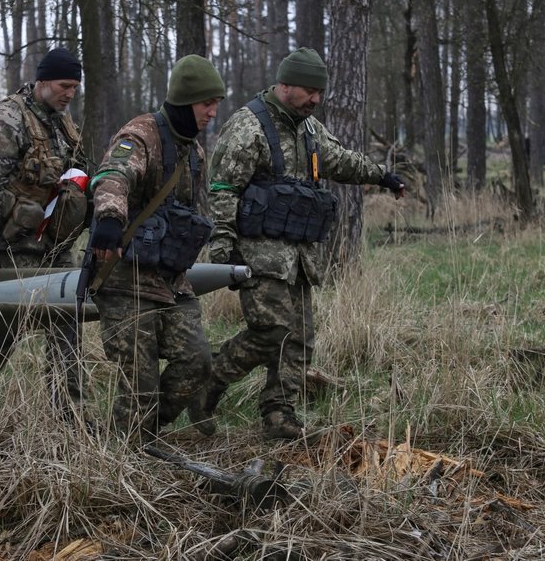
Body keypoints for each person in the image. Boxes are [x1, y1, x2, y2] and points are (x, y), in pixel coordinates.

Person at [189, 47, 406, 441]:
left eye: (319, 93)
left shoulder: (308, 127)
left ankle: (279, 413)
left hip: (301, 256)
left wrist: (382, 175)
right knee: (272, 331)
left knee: (300, 339)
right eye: (310, 91)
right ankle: (208, 384)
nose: (316, 100)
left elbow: (338, 158)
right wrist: (223, 248)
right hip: (258, 254)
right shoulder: (247, 127)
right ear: (284, 85)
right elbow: (223, 190)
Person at [87, 54, 225, 442]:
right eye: (206, 103)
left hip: (171, 281)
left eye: (216, 104)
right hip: (125, 279)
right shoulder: (140, 134)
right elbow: (114, 175)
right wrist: (111, 220)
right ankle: (125, 453)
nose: (213, 112)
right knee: (139, 384)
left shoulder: (194, 153)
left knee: (196, 362)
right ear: (185, 100)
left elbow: (196, 213)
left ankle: (136, 436)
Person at [0, 47, 89, 418]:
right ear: (44, 80)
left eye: (75, 88)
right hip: (14, 249)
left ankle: (69, 416)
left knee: (67, 326)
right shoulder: (7, 120)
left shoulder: (62, 122)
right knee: (0, 338)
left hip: (54, 246)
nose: (70, 94)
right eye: (65, 85)